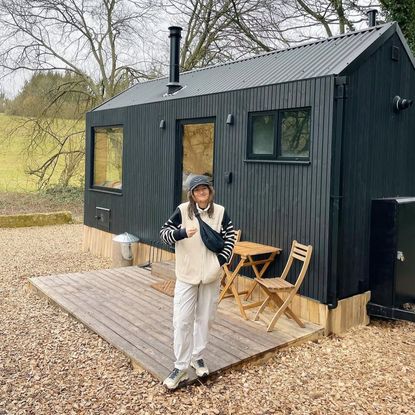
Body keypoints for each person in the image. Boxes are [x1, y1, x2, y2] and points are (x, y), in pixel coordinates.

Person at [160, 175, 236, 390]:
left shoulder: (220, 212)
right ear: (191, 194)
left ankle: (197, 356)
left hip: (211, 276)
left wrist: (219, 262)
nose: (201, 192)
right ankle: (180, 365)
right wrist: (181, 233)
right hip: (186, 275)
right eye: (197, 190)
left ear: (210, 191)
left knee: (205, 318)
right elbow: (164, 233)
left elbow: (230, 237)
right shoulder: (183, 210)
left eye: (204, 189)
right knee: (182, 320)